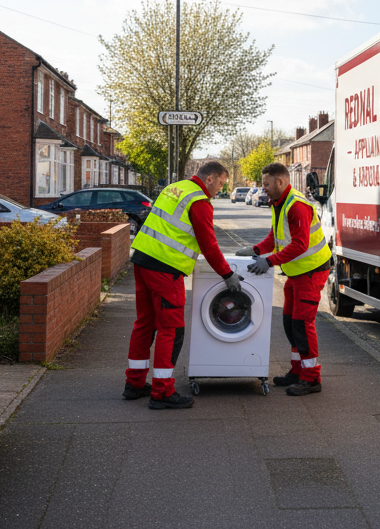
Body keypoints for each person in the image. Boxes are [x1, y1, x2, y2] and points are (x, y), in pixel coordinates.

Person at [124, 160, 239, 409]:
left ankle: (134, 384)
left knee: (144, 323)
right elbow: (208, 244)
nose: (219, 189)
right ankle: (162, 392)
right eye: (220, 183)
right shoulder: (199, 202)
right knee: (171, 329)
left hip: (142, 258)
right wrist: (227, 274)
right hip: (166, 269)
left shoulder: (174, 188)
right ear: (209, 179)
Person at [238, 162, 333, 396]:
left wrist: (269, 261)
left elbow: (300, 244)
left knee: (302, 323)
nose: (263, 189)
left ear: (280, 181)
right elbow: (275, 237)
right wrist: (256, 250)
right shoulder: (280, 203)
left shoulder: (296, 206)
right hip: (296, 272)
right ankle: (297, 371)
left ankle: (311, 378)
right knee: (290, 321)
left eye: (266, 184)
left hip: (310, 271)